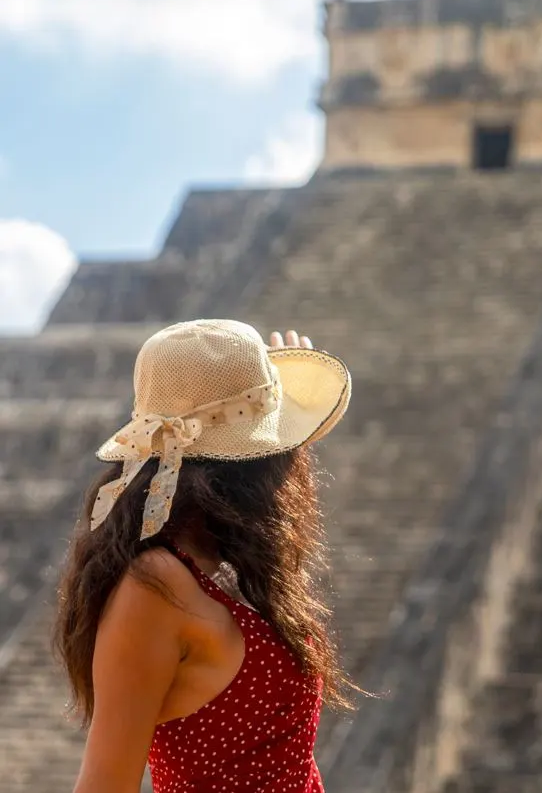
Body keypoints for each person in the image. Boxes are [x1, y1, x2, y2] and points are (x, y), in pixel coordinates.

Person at [54, 319, 355, 793]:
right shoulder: (155, 586)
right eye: (277, 445)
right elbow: (104, 784)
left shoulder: (226, 568)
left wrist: (289, 403)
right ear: (253, 464)